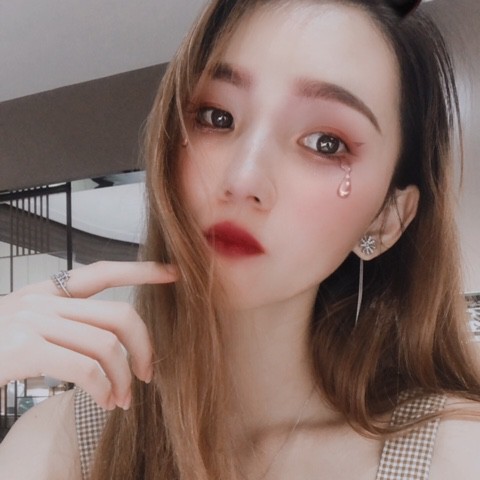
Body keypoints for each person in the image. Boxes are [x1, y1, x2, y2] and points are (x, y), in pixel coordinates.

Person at [1, 0, 480, 478]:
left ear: (386, 219)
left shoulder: (452, 458)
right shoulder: (63, 443)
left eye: (326, 143)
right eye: (217, 117)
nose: (243, 179)